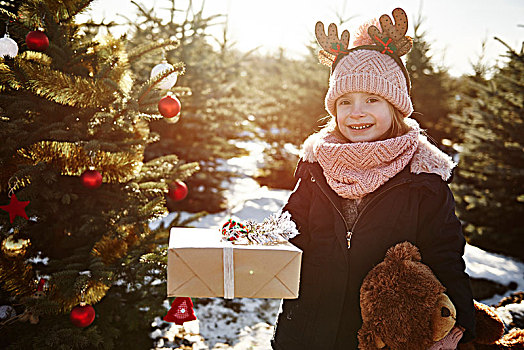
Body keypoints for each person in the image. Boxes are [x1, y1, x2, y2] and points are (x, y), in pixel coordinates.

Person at [271, 8, 476, 350]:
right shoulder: (315, 166)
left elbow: (445, 256)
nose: (356, 112)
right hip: (307, 330)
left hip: (384, 338)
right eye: (345, 101)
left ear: (395, 106)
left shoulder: (422, 177)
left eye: (372, 99)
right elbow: (291, 232)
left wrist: (457, 330)